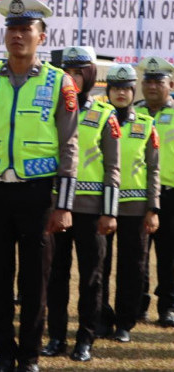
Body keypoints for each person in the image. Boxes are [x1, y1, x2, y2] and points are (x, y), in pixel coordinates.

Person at [0, 0, 78, 372]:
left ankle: (29, 357)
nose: (17, 35)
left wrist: (64, 204)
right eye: (12, 29)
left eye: (26, 29)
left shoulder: (60, 82)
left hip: (37, 194)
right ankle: (2, 354)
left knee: (34, 280)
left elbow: (68, 144)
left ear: (42, 37)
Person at [42, 46, 121, 362]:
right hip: (56, 207)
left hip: (91, 210)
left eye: (79, 72)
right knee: (54, 275)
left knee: (92, 277)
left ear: (90, 76)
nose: (73, 78)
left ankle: (85, 340)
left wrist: (109, 211)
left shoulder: (105, 114)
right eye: (68, 72)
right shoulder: (49, 109)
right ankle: (57, 338)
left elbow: (113, 167)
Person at [98, 63, 160, 343]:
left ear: (133, 91)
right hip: (102, 206)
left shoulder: (147, 124)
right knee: (99, 264)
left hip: (135, 206)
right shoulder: (96, 120)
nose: (121, 93)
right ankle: (101, 317)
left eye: (126, 88)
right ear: (108, 90)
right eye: (116, 88)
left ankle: (125, 321)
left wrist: (153, 207)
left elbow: (153, 168)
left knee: (133, 265)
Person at [134, 56, 174, 327]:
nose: (151, 86)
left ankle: (168, 307)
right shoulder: (134, 112)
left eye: (157, 81)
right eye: (147, 80)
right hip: (139, 192)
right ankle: (138, 303)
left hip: (170, 193)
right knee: (138, 253)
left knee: (169, 254)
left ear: (169, 84)